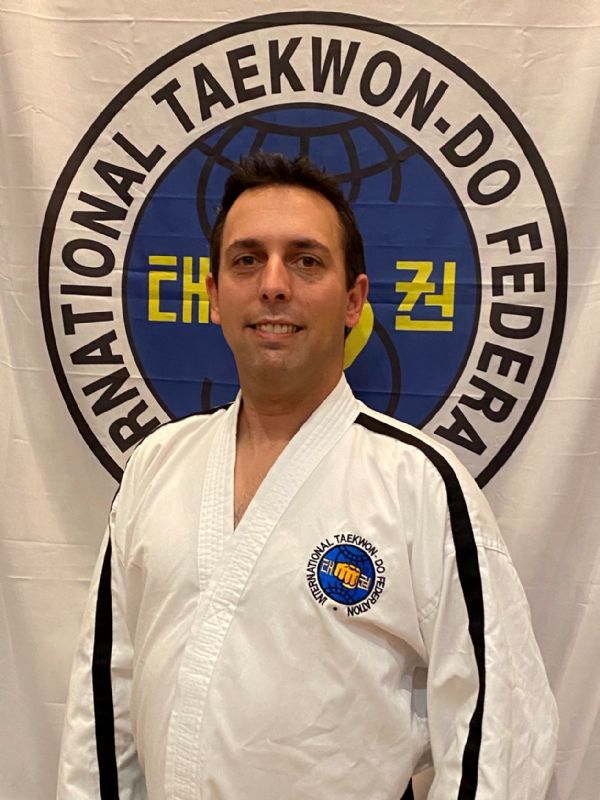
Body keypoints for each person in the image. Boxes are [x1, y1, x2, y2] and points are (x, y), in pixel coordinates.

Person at [57, 152, 558, 800]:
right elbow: (103, 708)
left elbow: (499, 736)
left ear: (353, 301)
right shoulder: (157, 465)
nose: (273, 284)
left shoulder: (421, 485)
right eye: (247, 260)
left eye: (305, 261)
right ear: (213, 296)